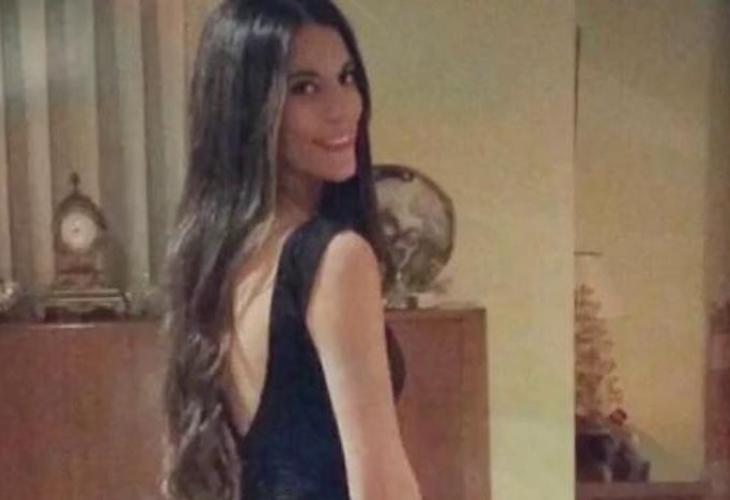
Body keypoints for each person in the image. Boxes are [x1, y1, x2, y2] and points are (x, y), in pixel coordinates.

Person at [161, 1, 422, 499]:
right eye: (304, 87)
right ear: (249, 111)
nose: (341, 108)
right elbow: (383, 489)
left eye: (346, 77)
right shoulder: (335, 260)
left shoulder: (216, 260)